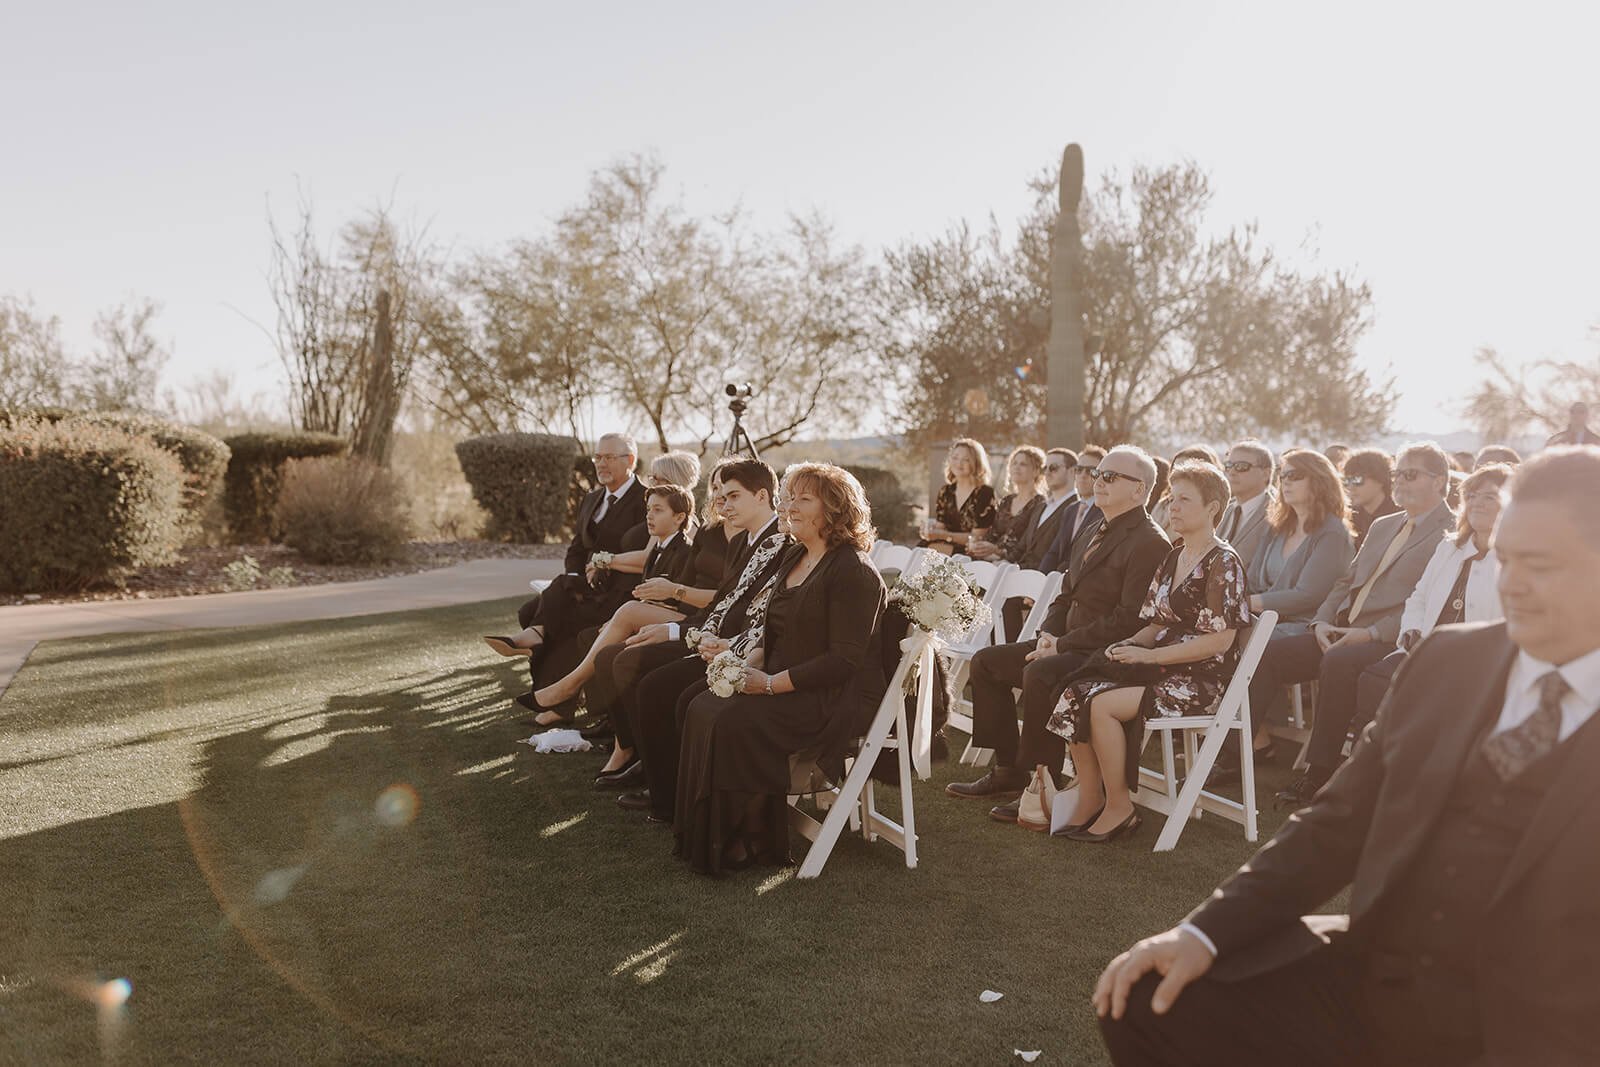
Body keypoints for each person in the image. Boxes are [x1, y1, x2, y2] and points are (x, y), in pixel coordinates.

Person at [1093, 445, 1600, 1067]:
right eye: (1506, 557)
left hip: (1538, 1025)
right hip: (1382, 972)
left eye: (1540, 565)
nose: (1511, 583)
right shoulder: (1448, 662)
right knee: (1148, 995)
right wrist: (1202, 932)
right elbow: (1339, 822)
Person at [674, 463, 886, 874]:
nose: (789, 507)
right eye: (788, 497)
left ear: (836, 510)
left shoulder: (853, 571)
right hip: (782, 677)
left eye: (803, 499)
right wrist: (742, 663)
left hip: (830, 696)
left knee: (733, 721)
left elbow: (843, 661)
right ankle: (707, 835)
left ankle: (747, 841)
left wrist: (770, 684)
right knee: (704, 705)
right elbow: (776, 630)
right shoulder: (794, 554)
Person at [944, 446, 1171, 822]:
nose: (1099, 481)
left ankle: (1042, 784)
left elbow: (1129, 620)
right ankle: (1008, 771)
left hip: (1103, 653)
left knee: (1040, 674)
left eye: (1110, 476)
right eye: (1099, 473)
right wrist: (1047, 637)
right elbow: (1066, 593)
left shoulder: (1150, 541)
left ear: (1139, 489)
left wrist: (1060, 646)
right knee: (987, 663)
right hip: (1064, 642)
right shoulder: (1092, 525)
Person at [1278, 463, 1513, 807]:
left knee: (1376, 680)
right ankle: (1322, 773)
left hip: (1474, 664)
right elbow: (1418, 597)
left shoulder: (1512, 559)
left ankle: (1361, 784)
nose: (1477, 503)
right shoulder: (1451, 547)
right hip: (1423, 647)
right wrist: (1412, 632)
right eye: (1472, 495)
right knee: (1348, 666)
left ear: (1511, 504)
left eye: (1490, 496)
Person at [1045, 462, 1250, 841]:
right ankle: (1090, 797)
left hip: (1199, 680)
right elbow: (1156, 624)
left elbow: (1220, 641)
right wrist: (1125, 647)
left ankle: (1120, 807)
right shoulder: (1174, 557)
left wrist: (1150, 657)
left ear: (1213, 508)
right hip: (1159, 669)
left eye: (1185, 500)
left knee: (1102, 704)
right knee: (1072, 689)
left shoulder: (1224, 562)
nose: (1173, 506)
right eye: (1172, 498)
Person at [1239, 442, 1455, 799]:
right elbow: (1345, 583)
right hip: (1338, 630)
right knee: (1266, 652)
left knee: (1338, 662)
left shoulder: (1449, 532)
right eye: (1396, 473)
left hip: (1388, 638)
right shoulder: (1385, 525)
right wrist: (1320, 623)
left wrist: (1369, 633)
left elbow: (1430, 602)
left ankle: (1319, 773)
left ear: (1440, 480)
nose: (1399, 481)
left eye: (1410, 474)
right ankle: (1236, 751)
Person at [612, 459, 790, 816]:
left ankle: (666, 788)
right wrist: (678, 630)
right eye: (721, 497)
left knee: (652, 682)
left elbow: (749, 615)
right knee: (631, 663)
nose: (724, 505)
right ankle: (654, 771)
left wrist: (687, 635)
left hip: (741, 652)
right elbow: (725, 602)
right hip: (711, 638)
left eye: (733, 496)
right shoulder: (745, 539)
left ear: (762, 496)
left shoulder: (778, 544)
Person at [519, 483, 704, 730]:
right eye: (648, 509)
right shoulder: (656, 550)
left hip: (677, 624)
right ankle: (607, 717)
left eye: (658, 510)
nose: (649, 515)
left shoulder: (685, 551)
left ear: (680, 517)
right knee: (587, 635)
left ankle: (576, 696)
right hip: (645, 615)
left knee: (608, 650)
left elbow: (683, 603)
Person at [482, 432, 647, 662]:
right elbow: (577, 548)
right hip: (583, 584)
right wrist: (575, 580)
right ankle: (544, 676)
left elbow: (645, 553)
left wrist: (594, 573)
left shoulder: (646, 500)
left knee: (548, 612)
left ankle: (538, 643)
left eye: (608, 457)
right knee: (528, 611)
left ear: (630, 460)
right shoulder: (591, 499)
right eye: (597, 457)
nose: (601, 464)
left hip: (618, 589)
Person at [968, 446, 1046, 563]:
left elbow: (1028, 543)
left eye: (1023, 464)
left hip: (1017, 564)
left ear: (1036, 471)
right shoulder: (1007, 500)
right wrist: (979, 546)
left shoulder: (1041, 503)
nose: (1016, 467)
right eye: (1014, 463)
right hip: (992, 560)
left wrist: (997, 550)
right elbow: (993, 533)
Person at [919, 438, 997, 554]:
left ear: (976, 463)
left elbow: (976, 538)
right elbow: (941, 527)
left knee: (931, 555)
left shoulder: (985, 493)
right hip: (945, 546)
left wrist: (945, 536)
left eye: (965, 459)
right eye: (955, 458)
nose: (959, 463)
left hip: (971, 550)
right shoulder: (945, 491)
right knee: (918, 552)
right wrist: (930, 532)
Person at [1038, 445, 1108, 574]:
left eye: (1091, 471)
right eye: (1079, 470)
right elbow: (1053, 553)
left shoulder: (1106, 512)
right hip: (1054, 582)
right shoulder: (1071, 510)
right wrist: (1037, 585)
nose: (1083, 475)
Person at [1217, 440, 1276, 571]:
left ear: (1265, 473)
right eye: (1228, 465)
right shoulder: (1223, 510)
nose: (1232, 472)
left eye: (1241, 466)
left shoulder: (1277, 515)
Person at [1151, 444, 1220, 537]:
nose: (1178, 474)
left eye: (1185, 469)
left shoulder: (1211, 509)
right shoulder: (1162, 504)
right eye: (1175, 469)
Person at [1341, 447, 1399, 550]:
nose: (1350, 487)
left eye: (1357, 480)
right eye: (1347, 480)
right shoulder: (1348, 518)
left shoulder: (1401, 517)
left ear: (1380, 479)